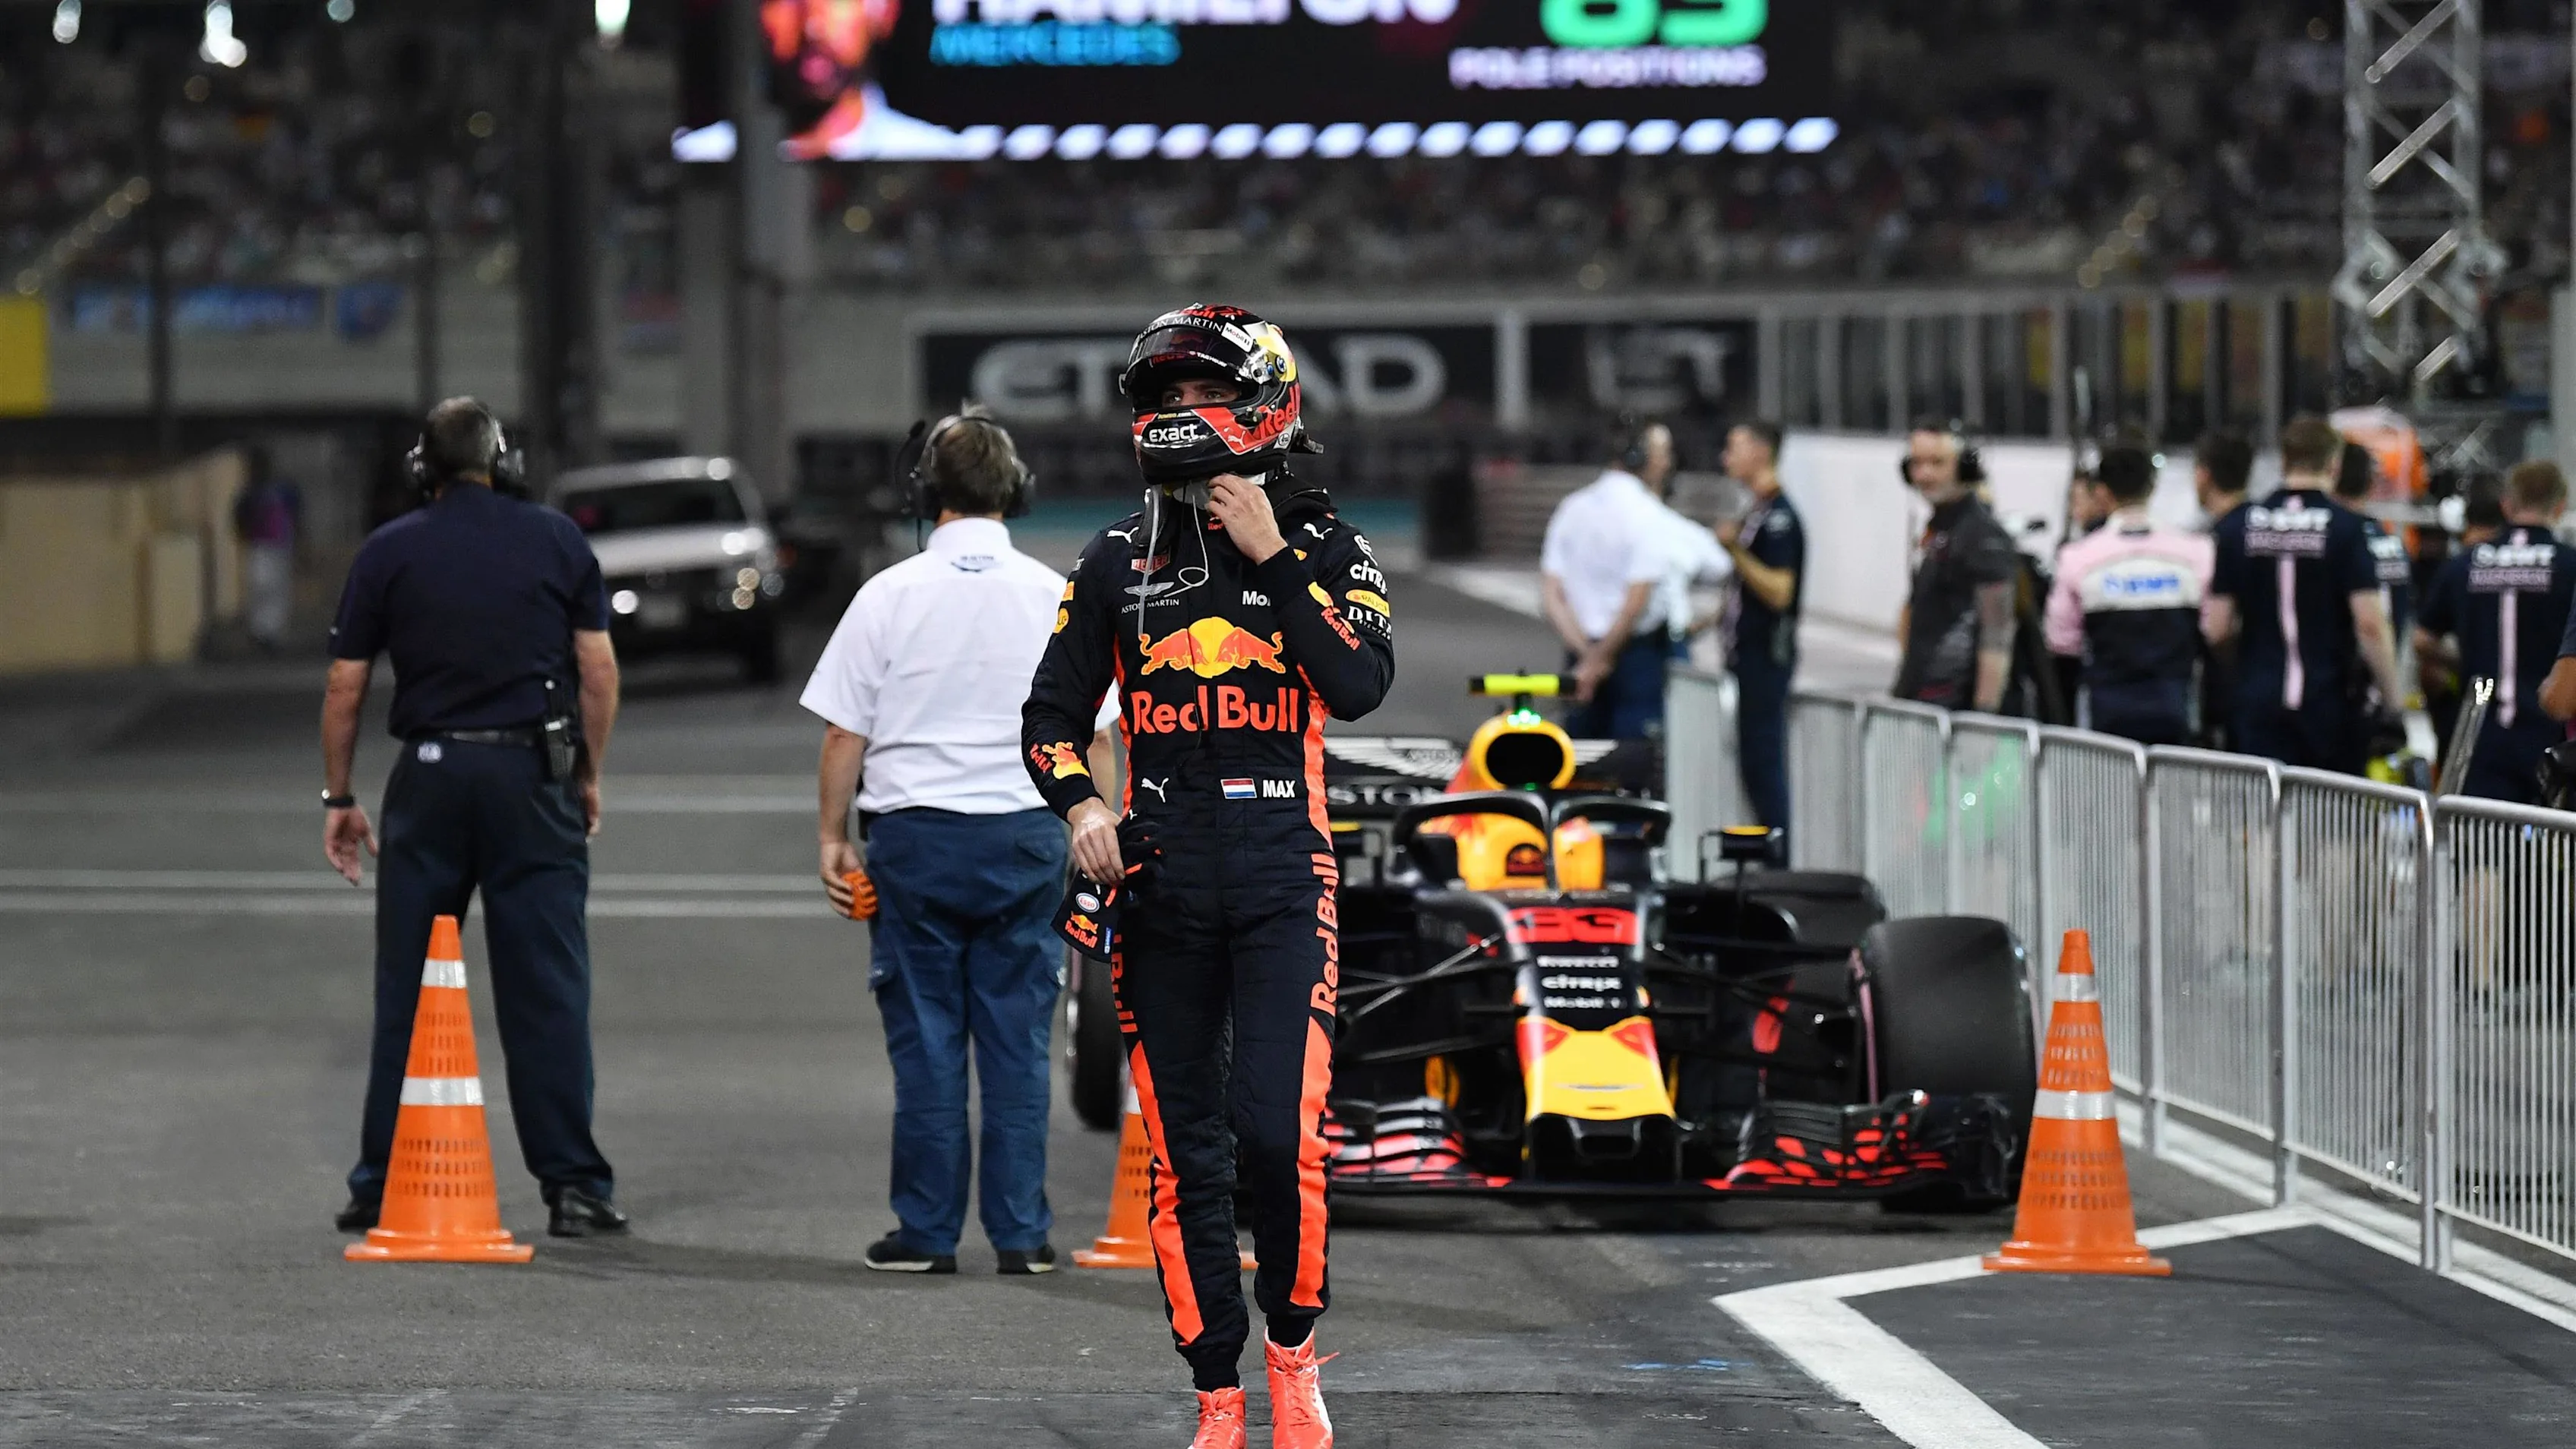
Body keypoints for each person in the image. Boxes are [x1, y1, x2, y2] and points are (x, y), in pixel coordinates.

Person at [1022, 303, 1393, 1449]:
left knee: (1279, 1138)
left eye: (1198, 396)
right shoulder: (1110, 560)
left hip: (1289, 871)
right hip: (1164, 883)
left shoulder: (1328, 546)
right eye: (1163, 400)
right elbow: (1046, 720)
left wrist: (1272, 554)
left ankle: (1294, 1357)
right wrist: (1083, 804)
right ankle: (1217, 1396)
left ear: (1264, 404)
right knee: (1190, 1157)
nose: (1177, 417)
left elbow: (1360, 685)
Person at [802, 409, 1114, 1276]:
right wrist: (1097, 830)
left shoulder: (888, 595)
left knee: (928, 1040)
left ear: (924, 493)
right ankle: (1022, 1236)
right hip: (1027, 837)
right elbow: (1095, 738)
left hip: (915, 842)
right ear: (1015, 492)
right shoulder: (1056, 593)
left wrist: (833, 839)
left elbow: (842, 737)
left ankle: (927, 1234)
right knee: (1016, 1043)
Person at [320, 397, 627, 1238]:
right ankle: (574, 1187)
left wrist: (340, 798)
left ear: (423, 469)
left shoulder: (387, 550)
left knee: (410, 988)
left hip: (429, 778)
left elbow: (346, 685)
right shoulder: (557, 539)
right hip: (532, 775)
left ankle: (379, 1184)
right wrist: (587, 775)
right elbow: (596, 669)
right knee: (548, 987)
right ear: (504, 461)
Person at [2203, 415, 2408, 775]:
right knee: (2330, 822)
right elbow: (2371, 624)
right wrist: (2393, 705)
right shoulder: (2347, 529)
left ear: (2283, 461)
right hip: (2329, 704)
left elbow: (2217, 627)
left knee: (2266, 819)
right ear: (2335, 465)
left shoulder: (2240, 527)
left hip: (2259, 703)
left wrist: (2249, 667)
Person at [2043, 441, 2214, 746]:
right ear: (2152, 487)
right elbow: (2212, 628)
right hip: (2176, 709)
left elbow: (2061, 640)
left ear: (2102, 493)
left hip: (2107, 714)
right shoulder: (2196, 552)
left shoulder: (2078, 558)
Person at [2429, 462, 2576, 802]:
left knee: (2484, 843)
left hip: (2482, 718)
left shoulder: (2466, 563)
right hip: (2548, 726)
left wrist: (2468, 659)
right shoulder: (2569, 566)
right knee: (2545, 843)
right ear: (2559, 506)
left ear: (2507, 505)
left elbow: (2424, 639)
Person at [1541, 418, 1684, 738]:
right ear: (1639, 457)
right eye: (1661, 453)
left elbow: (1552, 594)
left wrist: (1588, 659)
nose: (1667, 462)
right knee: (1636, 769)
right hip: (1635, 657)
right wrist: (1600, 660)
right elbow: (1636, 602)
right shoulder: (1649, 514)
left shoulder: (1572, 507)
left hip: (1580, 653)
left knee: (1576, 762)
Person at [1893, 421, 2021, 713]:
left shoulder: (1982, 537)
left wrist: (1983, 717)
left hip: (1958, 710)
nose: (1925, 474)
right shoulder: (1938, 531)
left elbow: (1997, 635)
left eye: (1937, 463)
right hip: (1926, 700)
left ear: (1965, 467)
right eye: (1917, 463)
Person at [1718, 418, 1803, 836]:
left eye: (1734, 446)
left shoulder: (1780, 519)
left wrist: (1734, 550)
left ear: (1761, 451)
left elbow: (1780, 591)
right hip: (1747, 659)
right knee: (1752, 765)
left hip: (1766, 660)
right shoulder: (1757, 512)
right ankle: (1765, 853)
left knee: (1765, 765)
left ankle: (1777, 857)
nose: (1725, 457)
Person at [2192, 430, 2256, 747]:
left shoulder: (2215, 539)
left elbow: (2218, 629)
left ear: (2204, 475)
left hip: (2229, 689)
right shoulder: (2263, 527)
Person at [233, 446, 301, 652]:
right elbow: (239, 515)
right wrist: (243, 533)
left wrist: (300, 537)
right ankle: (260, 629)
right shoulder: (251, 492)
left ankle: (273, 631)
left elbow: (296, 513)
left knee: (277, 588)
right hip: (260, 544)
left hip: (280, 543)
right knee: (259, 585)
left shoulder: (283, 488)